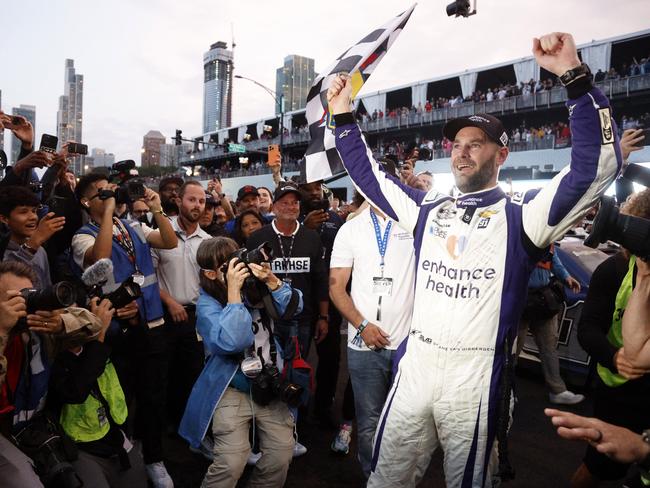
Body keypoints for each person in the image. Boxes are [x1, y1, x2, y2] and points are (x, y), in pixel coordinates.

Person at [327, 32, 621, 487]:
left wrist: (575, 79)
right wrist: (343, 114)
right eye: (457, 143)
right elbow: (369, 177)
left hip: (477, 375)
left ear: (502, 155)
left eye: (476, 143)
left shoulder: (526, 219)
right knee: (385, 479)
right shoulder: (427, 210)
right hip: (417, 363)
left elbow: (594, 168)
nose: (462, 151)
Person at [71, 173, 178, 488]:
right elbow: (100, 257)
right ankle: (126, 454)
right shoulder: (82, 235)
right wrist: (106, 211)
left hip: (152, 324)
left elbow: (169, 242)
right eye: (100, 192)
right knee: (122, 399)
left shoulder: (132, 226)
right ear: (84, 201)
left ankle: (155, 458)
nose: (108, 195)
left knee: (153, 398)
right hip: (116, 332)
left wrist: (157, 208)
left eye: (110, 190)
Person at [178, 237, 303, 487]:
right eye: (227, 267)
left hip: (270, 383)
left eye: (237, 260)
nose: (237, 270)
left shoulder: (257, 288)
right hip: (231, 388)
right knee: (231, 462)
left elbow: (296, 307)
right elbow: (232, 342)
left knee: (281, 455)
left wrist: (272, 281)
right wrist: (233, 293)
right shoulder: (207, 304)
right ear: (211, 274)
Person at [329, 193, 416, 477]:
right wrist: (363, 326)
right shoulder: (350, 229)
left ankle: (399, 479)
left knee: (407, 421)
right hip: (364, 343)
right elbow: (336, 288)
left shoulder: (414, 222)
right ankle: (373, 477)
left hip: (409, 345)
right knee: (368, 421)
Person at [246, 181, 329, 457]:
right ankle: (262, 434)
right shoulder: (258, 238)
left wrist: (324, 316)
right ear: (273, 206)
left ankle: (289, 430)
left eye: (294, 202)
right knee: (264, 374)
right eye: (284, 202)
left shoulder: (311, 237)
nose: (290, 207)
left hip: (302, 321)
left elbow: (320, 281)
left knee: (293, 376)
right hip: (267, 319)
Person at [575, 189, 650, 488]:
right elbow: (588, 328)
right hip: (617, 388)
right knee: (599, 465)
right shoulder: (614, 269)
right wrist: (613, 357)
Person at [48, 297, 149, 488]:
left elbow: (141, 352)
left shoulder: (104, 342)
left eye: (77, 310)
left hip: (118, 441)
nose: (73, 316)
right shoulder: (52, 359)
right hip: (81, 449)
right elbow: (75, 391)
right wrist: (99, 332)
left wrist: (133, 320)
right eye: (65, 313)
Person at [151, 181, 212, 437]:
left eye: (201, 201)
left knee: (192, 374)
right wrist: (170, 301)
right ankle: (159, 432)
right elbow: (148, 277)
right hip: (164, 316)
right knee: (161, 376)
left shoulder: (208, 241)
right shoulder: (160, 234)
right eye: (192, 200)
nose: (197, 205)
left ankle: (185, 428)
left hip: (195, 318)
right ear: (179, 201)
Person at [517, 246, 585, 404]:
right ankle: (504, 389)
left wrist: (566, 277)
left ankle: (558, 390)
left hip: (542, 299)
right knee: (513, 349)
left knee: (549, 347)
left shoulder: (548, 240)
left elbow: (554, 260)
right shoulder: (519, 235)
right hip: (521, 300)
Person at [0, 185, 65, 288]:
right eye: (23, 212)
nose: (33, 217)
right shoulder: (3, 252)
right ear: (4, 218)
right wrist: (33, 243)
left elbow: (46, 288)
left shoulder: (40, 251)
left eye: (34, 211)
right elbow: (9, 280)